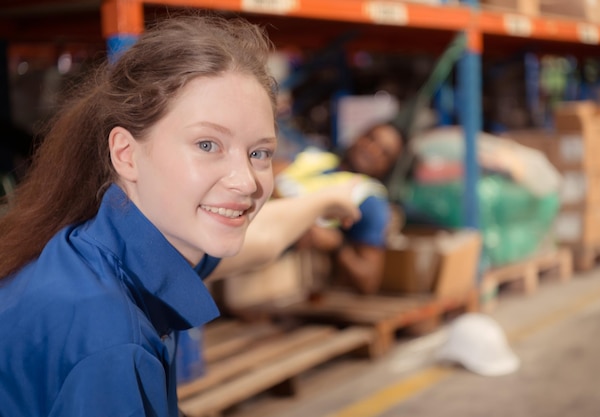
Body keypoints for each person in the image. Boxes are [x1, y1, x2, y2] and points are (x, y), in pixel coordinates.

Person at [0, 14, 361, 417]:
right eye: (208, 145)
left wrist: (324, 201)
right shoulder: (113, 345)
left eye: (259, 153)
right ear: (126, 154)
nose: (246, 181)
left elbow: (261, 242)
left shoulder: (103, 244)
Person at [274, 122, 405, 294]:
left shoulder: (369, 198)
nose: (372, 150)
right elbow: (269, 172)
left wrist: (337, 246)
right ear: (358, 137)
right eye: (371, 139)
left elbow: (369, 280)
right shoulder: (316, 158)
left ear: (386, 167)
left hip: (276, 255)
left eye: (384, 153)